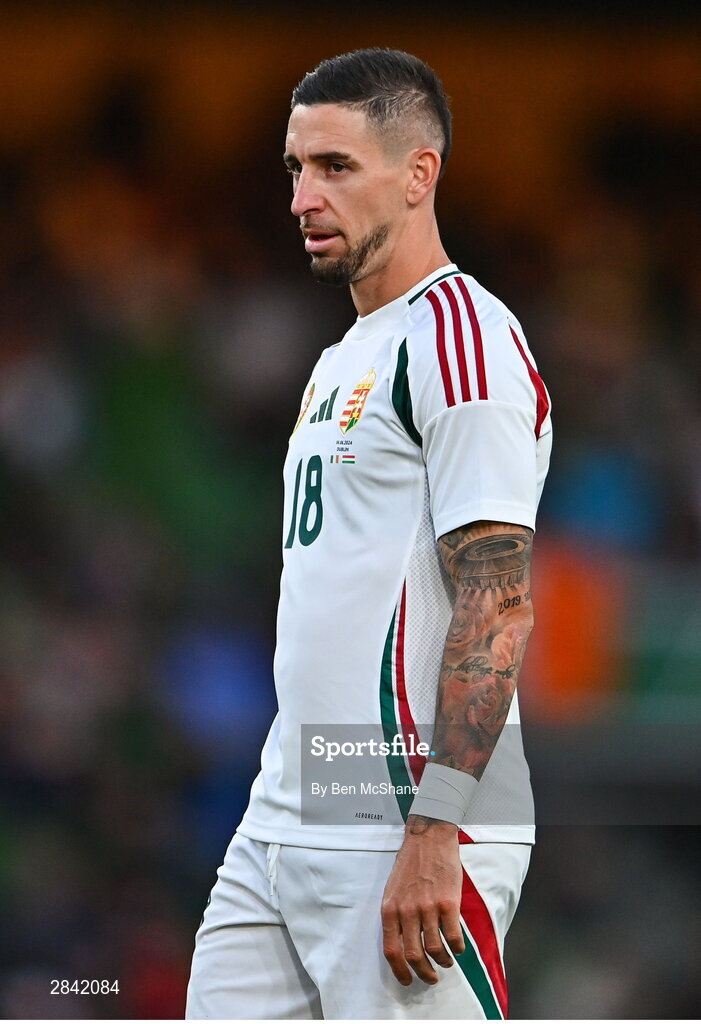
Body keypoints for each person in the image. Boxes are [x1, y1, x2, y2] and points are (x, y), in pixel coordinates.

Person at [186, 47, 552, 1020]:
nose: (304, 196)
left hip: (403, 803)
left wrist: (437, 825)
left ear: (418, 173)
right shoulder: (343, 356)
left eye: (335, 167)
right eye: (295, 168)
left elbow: (497, 590)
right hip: (292, 793)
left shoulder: (458, 337)